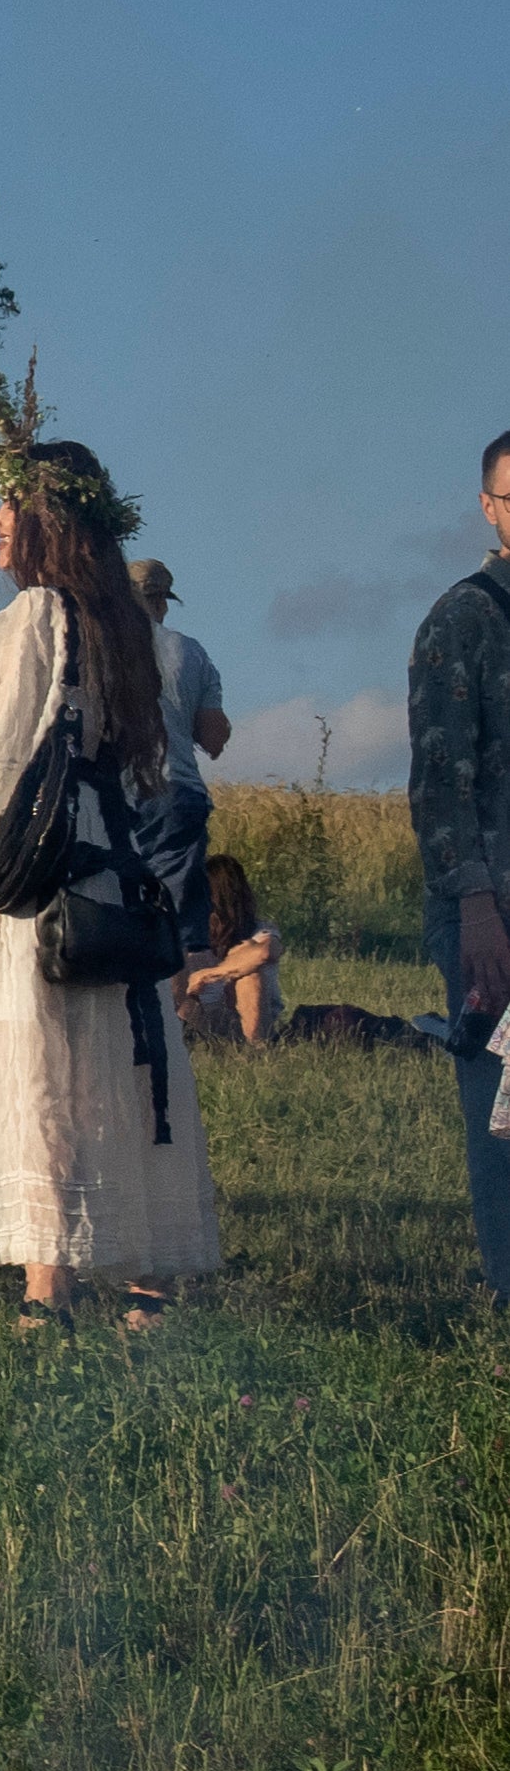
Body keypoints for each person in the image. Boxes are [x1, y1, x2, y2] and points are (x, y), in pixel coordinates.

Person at [0, 439, 218, 1326]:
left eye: (10, 505)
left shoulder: (33, 616)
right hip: (108, 858)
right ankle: (143, 1281)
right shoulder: (125, 621)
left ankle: (48, 1287)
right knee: (109, 1064)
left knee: (33, 1066)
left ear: (46, 517)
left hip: (34, 858)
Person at [409, 428, 510, 1304]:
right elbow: (442, 782)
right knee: (504, 1115)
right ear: (489, 505)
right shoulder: (464, 618)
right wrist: (476, 907)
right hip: (493, 909)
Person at [132, 561, 232, 961]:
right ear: (160, 602)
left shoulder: (97, 647)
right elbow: (213, 738)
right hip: (175, 790)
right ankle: (181, 1018)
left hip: (113, 791)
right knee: (178, 922)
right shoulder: (190, 652)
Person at [177, 852, 283, 1046]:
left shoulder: (258, 931)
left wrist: (209, 974)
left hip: (240, 1019)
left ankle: (257, 1051)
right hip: (201, 1019)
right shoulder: (189, 935)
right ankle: (180, 1044)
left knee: (250, 977)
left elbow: (266, 951)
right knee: (175, 969)